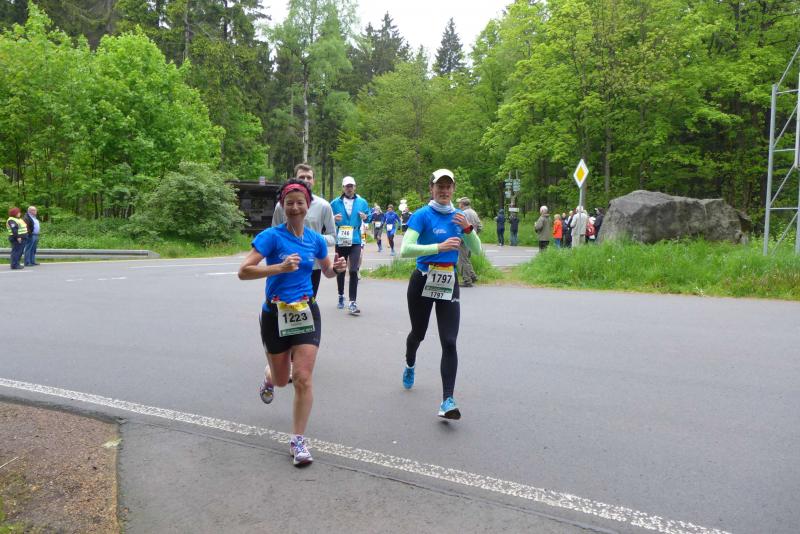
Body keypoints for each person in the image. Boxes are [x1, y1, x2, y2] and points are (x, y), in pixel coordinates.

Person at [239, 179, 347, 466]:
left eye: (300, 202)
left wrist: (337, 269)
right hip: (275, 313)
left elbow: (326, 272)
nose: (295, 207)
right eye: (290, 203)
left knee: (302, 377)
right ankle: (269, 378)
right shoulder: (271, 237)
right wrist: (279, 267)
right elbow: (244, 271)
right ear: (282, 206)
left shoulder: (316, 240)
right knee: (281, 379)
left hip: (306, 311)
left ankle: (298, 441)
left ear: (308, 206)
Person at [400, 169, 481, 420]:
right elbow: (405, 249)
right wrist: (439, 247)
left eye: (448, 186)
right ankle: (410, 362)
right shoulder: (422, 215)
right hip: (422, 280)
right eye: (440, 186)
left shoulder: (459, 217)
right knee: (418, 333)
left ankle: (447, 400)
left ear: (453, 189)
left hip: (448, 281)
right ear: (431, 189)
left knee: (449, 341)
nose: (444, 191)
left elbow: (477, 250)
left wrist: (468, 229)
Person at [271, 164, 336, 298]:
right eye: (302, 177)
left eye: (309, 177)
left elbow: (333, 237)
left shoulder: (324, 205)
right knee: (283, 303)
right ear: (295, 179)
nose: (306, 180)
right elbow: (274, 235)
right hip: (287, 263)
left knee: (308, 304)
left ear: (314, 181)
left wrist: (314, 240)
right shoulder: (281, 205)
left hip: (313, 265)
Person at [330, 176, 371, 315]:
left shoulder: (362, 202)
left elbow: (369, 217)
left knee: (353, 270)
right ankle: (341, 295)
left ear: (355, 187)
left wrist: (365, 217)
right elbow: (326, 219)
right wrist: (333, 218)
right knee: (340, 269)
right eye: (347, 186)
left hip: (355, 239)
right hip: (341, 239)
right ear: (343, 187)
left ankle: (352, 302)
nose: (349, 188)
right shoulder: (334, 203)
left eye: (351, 186)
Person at [456, 197, 481, 287]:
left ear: (462, 204)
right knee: (467, 259)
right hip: (471, 240)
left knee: (463, 260)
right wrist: (474, 236)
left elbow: (459, 227)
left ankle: (467, 281)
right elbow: (480, 226)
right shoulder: (473, 212)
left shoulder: (463, 213)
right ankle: (473, 276)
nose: (458, 205)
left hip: (464, 240)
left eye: (459, 203)